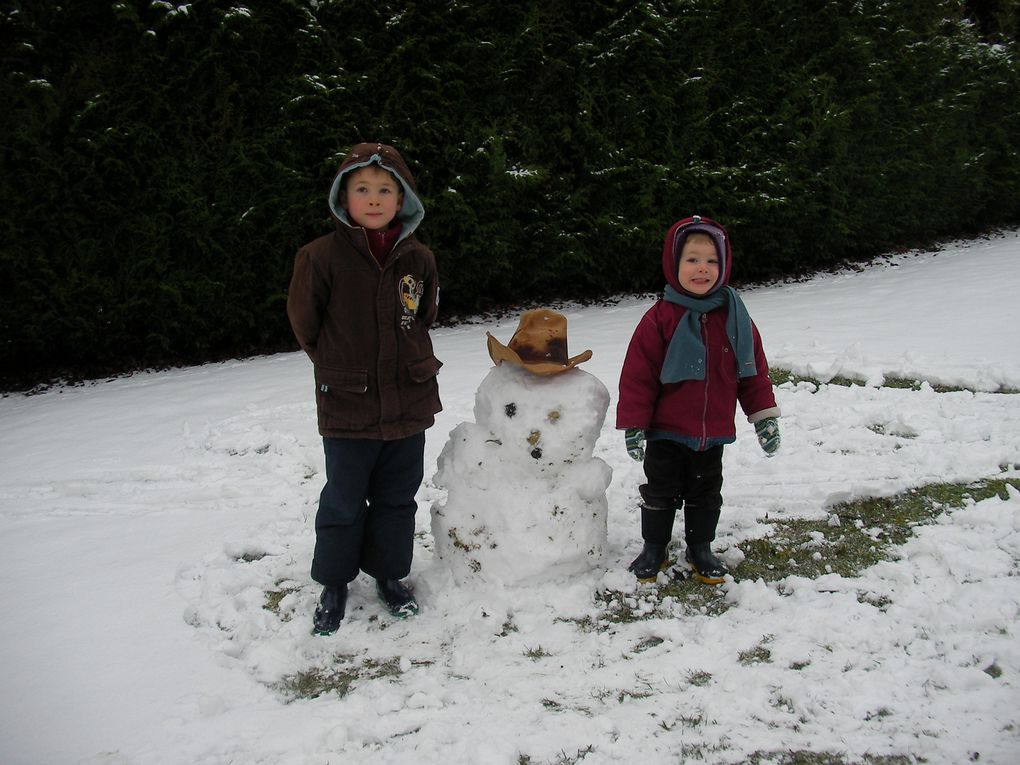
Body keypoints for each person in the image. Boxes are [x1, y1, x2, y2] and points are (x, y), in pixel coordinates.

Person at [287, 142, 442, 635]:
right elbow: (306, 325)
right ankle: (335, 582)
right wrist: (341, 368)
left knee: (398, 497)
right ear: (343, 198)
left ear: (402, 201)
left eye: (385, 190)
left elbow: (425, 315)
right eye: (362, 189)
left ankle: (390, 575)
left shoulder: (418, 258)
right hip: (349, 407)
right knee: (344, 498)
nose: (373, 199)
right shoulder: (320, 257)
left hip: (407, 400)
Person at [616, 214, 780, 585]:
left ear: (724, 266)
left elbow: (752, 373)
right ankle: (653, 547)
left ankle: (700, 547)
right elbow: (638, 377)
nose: (702, 268)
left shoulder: (735, 318)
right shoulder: (660, 319)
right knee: (659, 491)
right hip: (666, 432)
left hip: (712, 432)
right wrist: (635, 424)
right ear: (674, 265)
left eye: (711, 261)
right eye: (692, 259)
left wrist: (764, 417)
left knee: (706, 493)